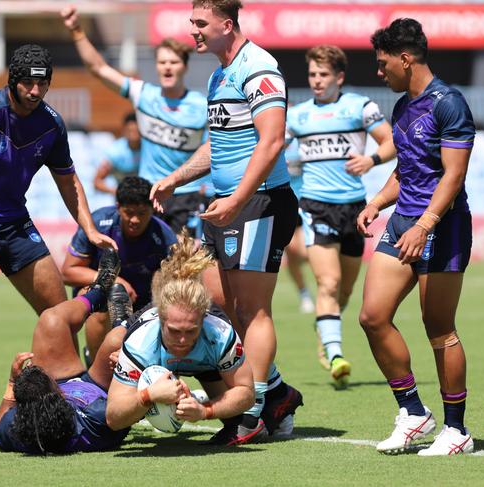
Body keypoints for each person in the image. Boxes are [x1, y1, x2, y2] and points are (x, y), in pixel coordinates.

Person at [0, 43, 116, 448]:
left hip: (16, 225)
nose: (36, 90)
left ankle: (75, 397)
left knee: (59, 315)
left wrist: (88, 228)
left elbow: (68, 180)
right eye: (28, 82)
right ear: (13, 81)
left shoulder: (51, 124)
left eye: (42, 82)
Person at [151, 0, 303, 441]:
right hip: (228, 205)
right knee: (219, 305)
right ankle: (276, 393)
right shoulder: (219, 73)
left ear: (226, 23)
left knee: (253, 311)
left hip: (258, 204)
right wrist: (177, 178)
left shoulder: (259, 67)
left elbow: (272, 141)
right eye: (191, 22)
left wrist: (237, 199)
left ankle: (251, 414)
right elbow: (219, 145)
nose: (193, 30)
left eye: (200, 23)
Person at [358, 18, 475, 455]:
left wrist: (426, 224)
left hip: (441, 227)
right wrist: (377, 202)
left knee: (439, 328)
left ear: (405, 59)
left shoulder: (450, 103)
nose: (379, 70)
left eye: (383, 62)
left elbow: (454, 175)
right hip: (403, 223)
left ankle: (457, 430)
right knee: (372, 316)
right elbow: (406, 170)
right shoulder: (403, 106)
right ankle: (412, 411)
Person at [285, 45, 395, 388]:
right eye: (313, 75)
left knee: (346, 289)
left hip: (354, 209)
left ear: (339, 77)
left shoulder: (359, 107)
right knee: (328, 283)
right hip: (315, 206)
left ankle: (325, 328)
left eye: (324, 75)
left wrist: (371, 160)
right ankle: (334, 354)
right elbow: (272, 148)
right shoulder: (297, 116)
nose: (317, 81)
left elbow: (391, 141)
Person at [61, 6, 212, 235]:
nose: (168, 67)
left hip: (186, 194)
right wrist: (77, 30)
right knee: (150, 263)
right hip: (150, 193)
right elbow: (98, 68)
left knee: (183, 266)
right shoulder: (143, 94)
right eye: (162, 62)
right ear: (157, 66)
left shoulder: (202, 106)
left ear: (185, 66)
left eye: (173, 62)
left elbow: (215, 147)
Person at [106, 233, 261, 445]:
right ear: (160, 319)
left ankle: (280, 393)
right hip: (151, 357)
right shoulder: (140, 342)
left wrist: (205, 410)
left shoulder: (220, 334)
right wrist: (147, 395)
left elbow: (246, 393)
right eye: (174, 330)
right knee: (114, 341)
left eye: (190, 331)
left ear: (203, 319)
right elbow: (113, 418)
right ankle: (121, 320)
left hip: (207, 364)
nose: (181, 340)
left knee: (240, 420)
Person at [0, 250, 131, 454]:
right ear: (56, 394)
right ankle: (124, 319)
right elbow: (128, 411)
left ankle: (99, 293)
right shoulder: (98, 419)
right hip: (101, 388)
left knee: (51, 320)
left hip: (66, 389)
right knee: (116, 341)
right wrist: (131, 376)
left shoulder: (18, 428)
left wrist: (13, 383)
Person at [61, 176, 177, 363]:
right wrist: (115, 280)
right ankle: (96, 363)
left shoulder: (164, 236)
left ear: (152, 209)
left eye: (142, 213)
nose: (135, 219)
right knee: (106, 296)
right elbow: (68, 271)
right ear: (118, 207)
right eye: (128, 212)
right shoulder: (98, 224)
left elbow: (177, 281)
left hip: (145, 303)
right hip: (103, 296)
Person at [283, 137, 315, 315]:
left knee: (302, 251)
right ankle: (304, 294)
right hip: (284, 201)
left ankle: (326, 286)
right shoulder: (275, 138)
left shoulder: (302, 136)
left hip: (305, 200)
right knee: (292, 253)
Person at [93, 112, 141, 196]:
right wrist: (117, 192)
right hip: (124, 200)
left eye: (136, 131)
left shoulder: (150, 150)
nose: (133, 135)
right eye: (130, 131)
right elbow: (97, 182)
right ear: (124, 130)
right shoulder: (115, 152)